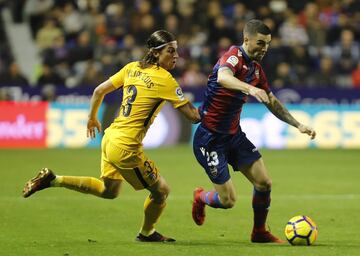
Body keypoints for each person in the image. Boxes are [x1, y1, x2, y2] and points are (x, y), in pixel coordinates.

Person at [22, 30, 200, 242]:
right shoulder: (165, 80)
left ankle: (53, 180)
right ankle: (146, 233)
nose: (176, 55)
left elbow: (99, 91)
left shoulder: (132, 68)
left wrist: (92, 117)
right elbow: (193, 116)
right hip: (126, 147)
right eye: (171, 51)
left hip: (109, 138)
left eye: (177, 50)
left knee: (109, 190)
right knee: (161, 191)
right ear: (155, 53)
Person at [191, 19, 316, 243]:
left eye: (267, 44)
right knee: (228, 200)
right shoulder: (233, 57)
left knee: (264, 183)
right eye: (260, 43)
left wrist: (298, 125)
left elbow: (271, 101)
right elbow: (223, 77)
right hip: (209, 138)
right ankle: (200, 197)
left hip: (233, 135)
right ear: (246, 39)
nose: (264, 48)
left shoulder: (256, 70)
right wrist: (249, 88)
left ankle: (259, 232)